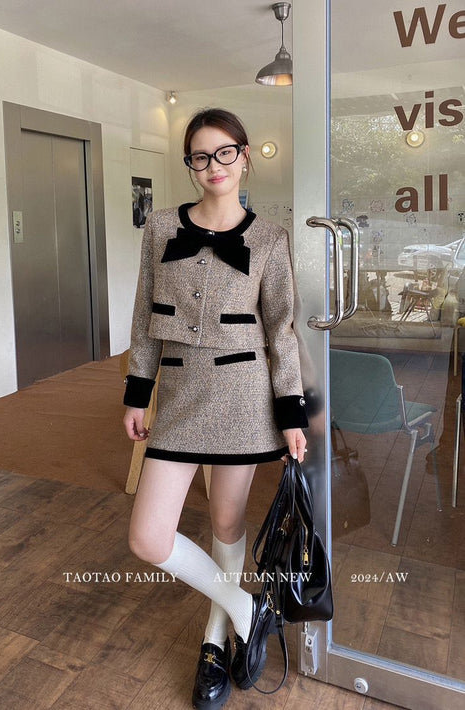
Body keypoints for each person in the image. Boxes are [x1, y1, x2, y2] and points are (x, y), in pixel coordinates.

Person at [123, 108, 308, 709]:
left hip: (243, 400)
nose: (214, 166)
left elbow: (281, 330)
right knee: (148, 537)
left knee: (228, 524)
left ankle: (213, 640)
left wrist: (291, 411)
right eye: (200, 156)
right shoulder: (160, 228)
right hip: (178, 399)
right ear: (190, 165)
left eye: (225, 152)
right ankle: (247, 609)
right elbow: (144, 318)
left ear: (245, 156)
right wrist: (136, 391)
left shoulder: (270, 238)